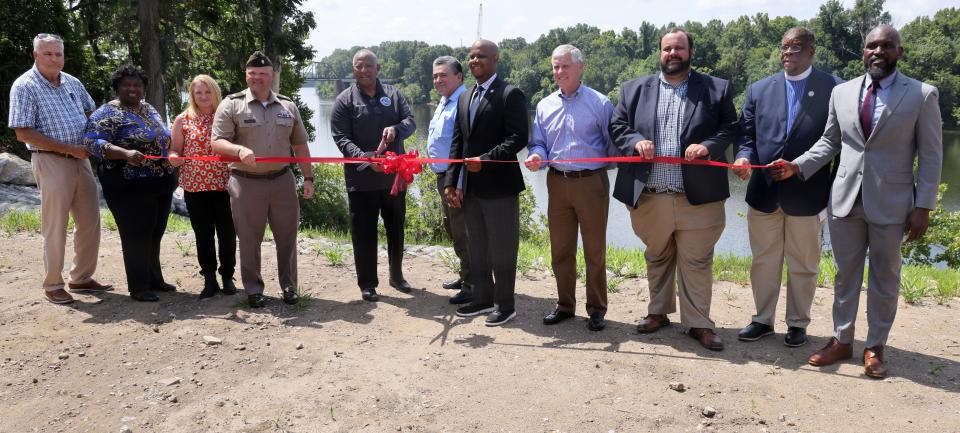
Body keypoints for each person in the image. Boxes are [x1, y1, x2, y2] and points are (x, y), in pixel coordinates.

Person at [770, 25, 942, 378]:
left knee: (885, 277)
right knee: (844, 275)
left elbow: (931, 156)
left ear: (899, 52)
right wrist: (797, 166)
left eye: (886, 46)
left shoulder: (922, 95)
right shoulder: (843, 93)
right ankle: (841, 340)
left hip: (892, 203)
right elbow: (829, 142)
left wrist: (923, 206)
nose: (878, 51)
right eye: (871, 46)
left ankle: (875, 347)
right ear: (863, 52)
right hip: (844, 199)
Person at [609, 28, 738, 350]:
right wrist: (636, 141)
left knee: (696, 261)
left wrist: (708, 146)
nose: (672, 54)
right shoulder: (633, 89)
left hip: (698, 198)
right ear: (660, 52)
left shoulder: (716, 88)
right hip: (650, 194)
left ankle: (699, 324)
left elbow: (732, 128)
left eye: (679, 48)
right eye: (667, 49)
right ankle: (658, 313)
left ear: (690, 52)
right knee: (657, 256)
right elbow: (617, 126)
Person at [731, 27, 843, 347]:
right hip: (763, 194)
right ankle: (762, 319)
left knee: (803, 265)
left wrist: (807, 172)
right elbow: (746, 136)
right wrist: (742, 157)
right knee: (763, 261)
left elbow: (834, 144)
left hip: (809, 194)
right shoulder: (759, 89)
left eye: (795, 48)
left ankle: (797, 323)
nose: (787, 54)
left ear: (811, 51)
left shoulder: (834, 88)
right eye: (783, 48)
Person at [8, 33, 112, 304]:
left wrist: (97, 137)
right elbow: (23, 132)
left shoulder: (72, 82)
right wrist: (68, 149)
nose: (54, 59)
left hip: (82, 158)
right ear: (35, 55)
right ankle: (53, 284)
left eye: (58, 54)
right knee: (55, 225)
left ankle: (81, 278)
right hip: (50, 160)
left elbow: (92, 113)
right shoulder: (24, 86)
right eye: (48, 53)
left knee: (90, 221)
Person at [211, 51, 314, 308]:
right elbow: (216, 142)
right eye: (252, 74)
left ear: (272, 76)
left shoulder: (288, 106)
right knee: (249, 238)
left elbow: (300, 145)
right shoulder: (232, 104)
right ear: (246, 75)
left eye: (263, 74)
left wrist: (309, 178)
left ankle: (289, 286)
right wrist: (238, 150)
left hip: (282, 181)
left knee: (287, 236)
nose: (257, 78)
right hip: (246, 182)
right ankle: (254, 289)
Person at [523, 44, 615, 331]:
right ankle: (564, 305)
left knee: (594, 251)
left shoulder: (600, 103)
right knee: (561, 249)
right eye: (555, 66)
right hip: (557, 183)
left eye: (564, 66)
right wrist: (537, 154)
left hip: (591, 184)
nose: (559, 72)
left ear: (580, 67)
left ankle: (597, 309)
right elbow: (537, 142)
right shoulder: (544, 105)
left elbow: (612, 145)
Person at [444, 39, 528, 327]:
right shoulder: (465, 96)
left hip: (501, 188)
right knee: (476, 245)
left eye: (481, 56)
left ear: (495, 59)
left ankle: (505, 305)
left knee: (503, 248)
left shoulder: (509, 94)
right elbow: (459, 141)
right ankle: (482, 298)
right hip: (471, 188)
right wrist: (452, 181)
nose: (474, 60)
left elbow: (519, 138)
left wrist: (486, 160)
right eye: (470, 56)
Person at [84, 64, 177, 302]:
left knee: (155, 233)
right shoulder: (106, 113)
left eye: (137, 84)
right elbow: (93, 143)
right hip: (128, 186)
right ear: (117, 88)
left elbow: (162, 136)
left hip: (159, 183)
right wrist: (124, 153)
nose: (132, 89)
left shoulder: (148, 108)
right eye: (126, 85)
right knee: (136, 235)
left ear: (144, 88)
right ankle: (139, 287)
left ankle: (154, 279)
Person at [331, 49, 416, 302]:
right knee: (364, 233)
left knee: (396, 229)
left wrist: (396, 129)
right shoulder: (344, 100)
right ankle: (367, 283)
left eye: (369, 66)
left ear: (378, 68)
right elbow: (341, 138)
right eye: (360, 66)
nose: (365, 70)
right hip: (362, 181)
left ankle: (397, 276)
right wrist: (367, 160)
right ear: (353, 69)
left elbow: (410, 121)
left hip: (394, 180)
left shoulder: (394, 95)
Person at [169, 75, 238, 299]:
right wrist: (174, 158)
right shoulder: (183, 119)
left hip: (225, 185)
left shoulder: (226, 116)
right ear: (192, 95)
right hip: (195, 187)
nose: (203, 96)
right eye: (198, 92)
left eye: (207, 92)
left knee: (227, 233)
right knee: (203, 234)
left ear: (215, 93)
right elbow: (174, 150)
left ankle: (227, 275)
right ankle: (209, 278)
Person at [427, 55, 472, 304]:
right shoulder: (445, 101)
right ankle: (465, 276)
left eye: (443, 75)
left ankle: (472, 285)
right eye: (435, 75)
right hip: (443, 177)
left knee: (463, 231)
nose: (438, 80)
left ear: (459, 76)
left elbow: (465, 148)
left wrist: (458, 184)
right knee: (452, 228)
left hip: (455, 179)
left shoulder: (462, 103)